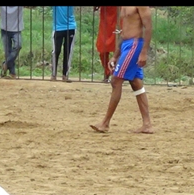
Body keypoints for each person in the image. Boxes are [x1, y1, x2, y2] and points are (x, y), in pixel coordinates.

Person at [90, 6, 152, 134]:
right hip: (126, 45)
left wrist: (144, 52)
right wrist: (115, 55)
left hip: (134, 44)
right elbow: (123, 31)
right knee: (136, 82)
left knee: (116, 80)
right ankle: (147, 124)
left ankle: (105, 123)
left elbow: (148, 27)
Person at [50, 5, 76, 82]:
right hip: (58, 28)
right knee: (56, 51)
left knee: (68, 51)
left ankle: (65, 75)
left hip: (70, 27)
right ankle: (53, 74)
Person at [0, 6, 23, 78]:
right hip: (4, 29)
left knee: (18, 45)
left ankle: (6, 64)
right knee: (7, 52)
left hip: (16, 29)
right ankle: (12, 72)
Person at [95, 6, 118, 83]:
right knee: (102, 50)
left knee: (118, 49)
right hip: (105, 23)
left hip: (117, 20)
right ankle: (107, 72)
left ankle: (116, 74)